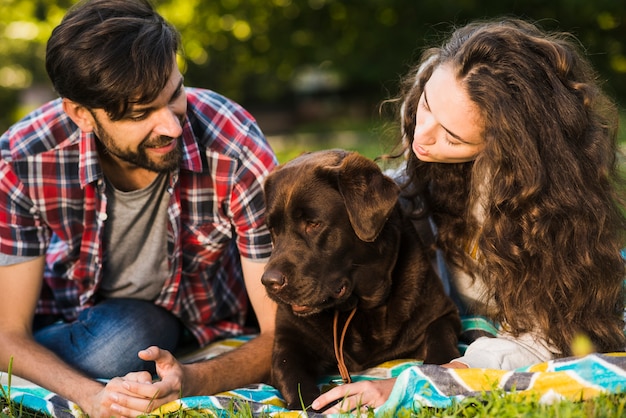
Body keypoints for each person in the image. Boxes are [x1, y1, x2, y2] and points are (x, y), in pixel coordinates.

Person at [312, 18, 626, 413]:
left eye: (452, 136)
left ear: (506, 146)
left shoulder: (542, 211)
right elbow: (403, 191)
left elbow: (545, 337)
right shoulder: (439, 95)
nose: (421, 136)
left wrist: (427, 379)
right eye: (426, 105)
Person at [0, 0, 277, 416]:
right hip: (68, 308)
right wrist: (90, 396)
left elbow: (283, 332)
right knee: (114, 349)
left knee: (127, 343)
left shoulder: (234, 146)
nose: (171, 127)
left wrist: (191, 378)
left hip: (178, 320)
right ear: (82, 114)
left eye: (175, 93)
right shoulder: (24, 158)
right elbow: (10, 332)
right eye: (141, 113)